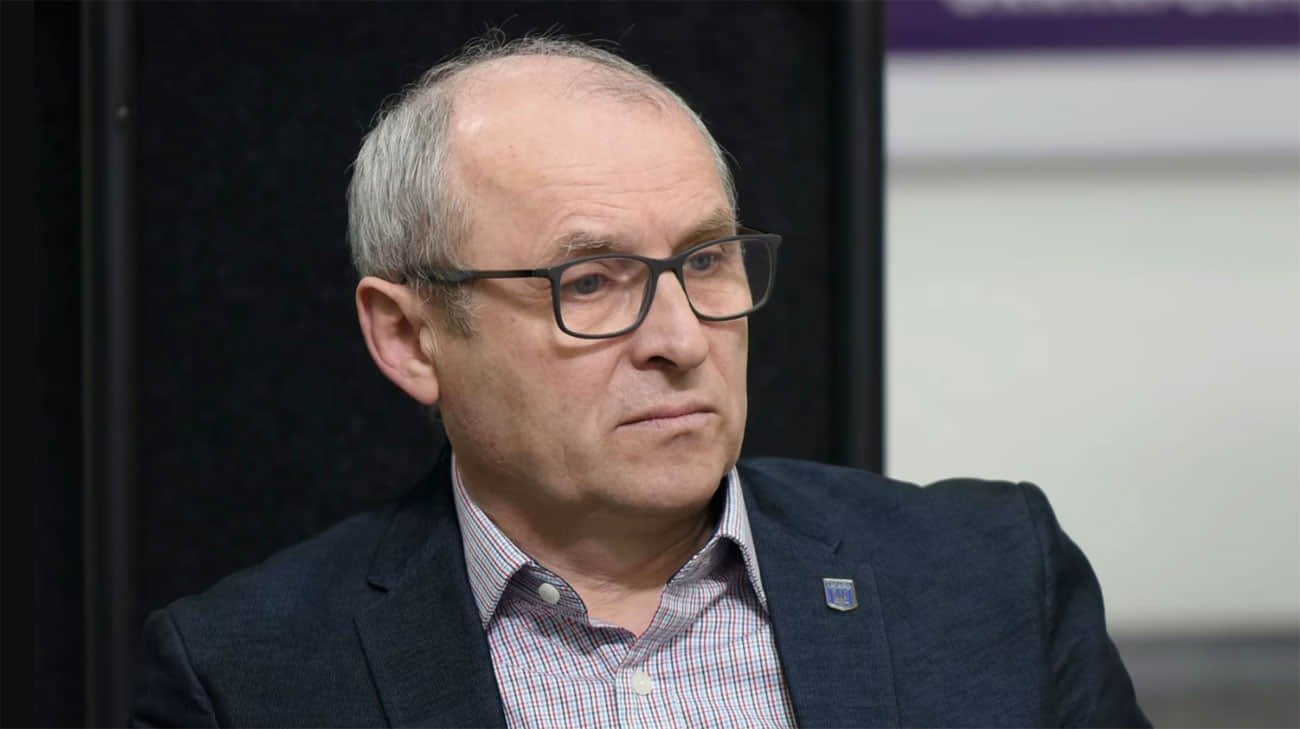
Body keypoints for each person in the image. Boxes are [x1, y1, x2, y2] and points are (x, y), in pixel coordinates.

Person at [131, 35, 1149, 728]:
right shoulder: (248, 677)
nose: (680, 338)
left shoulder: (990, 581)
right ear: (410, 337)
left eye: (706, 261)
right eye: (590, 281)